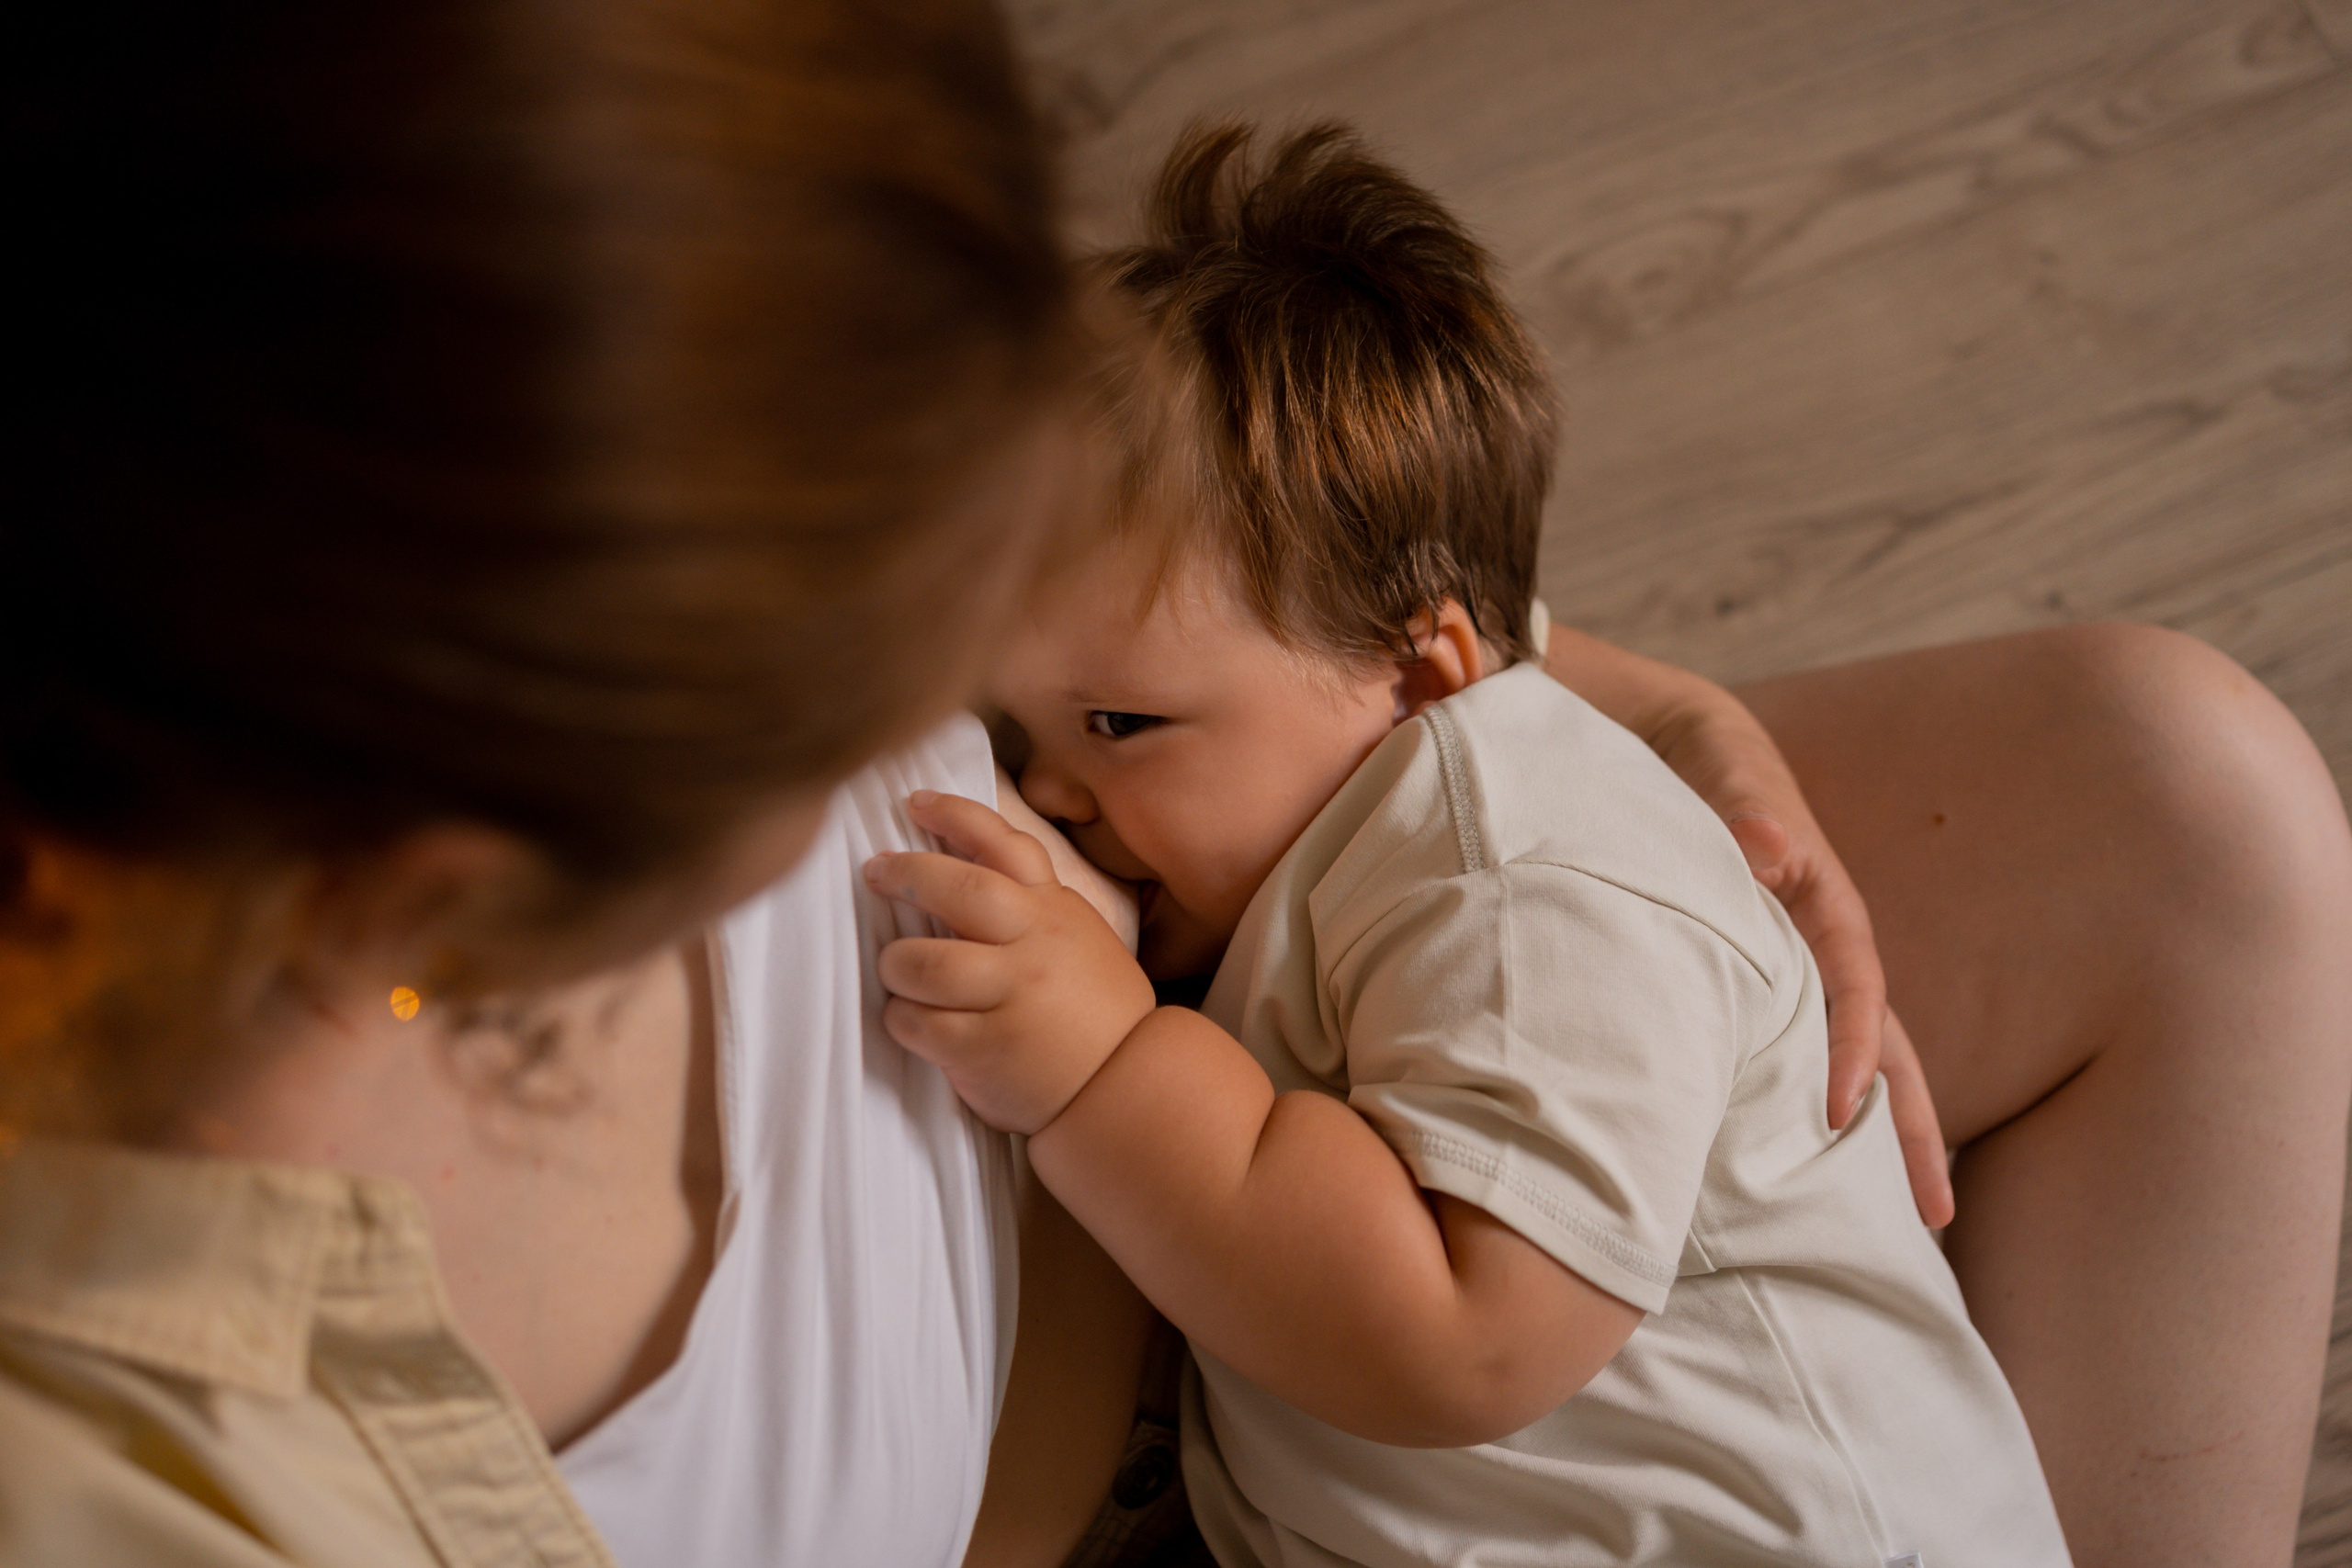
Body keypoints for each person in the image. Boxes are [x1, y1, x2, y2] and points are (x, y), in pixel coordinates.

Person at [0, 6, 2342, 1568]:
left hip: (1302, 1144)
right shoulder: (149, 1462)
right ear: (450, 886)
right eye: (894, 674)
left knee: (2174, 787)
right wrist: (1128, 1032)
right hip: (1261, 1375)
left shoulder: (476, 269)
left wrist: (1558, 690)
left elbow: (1197, 563)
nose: (989, 762)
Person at [870, 122, 2071, 1565]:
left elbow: (1463, 1340)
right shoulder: (1338, 838)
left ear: (1424, 676)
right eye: (1019, 730)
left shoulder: (1527, 875)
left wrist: (1106, 1068)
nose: (1051, 792)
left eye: (1118, 724)